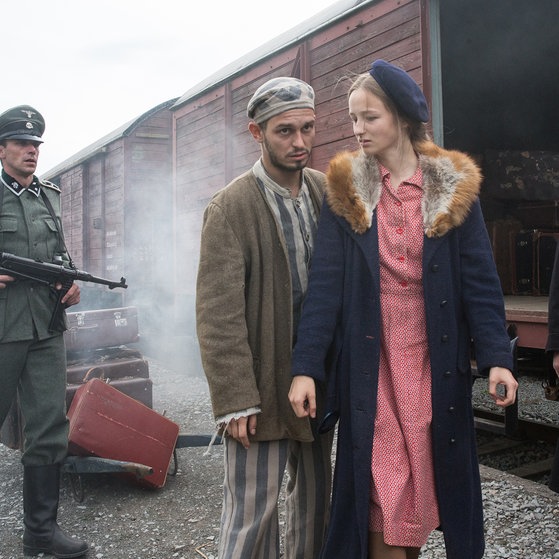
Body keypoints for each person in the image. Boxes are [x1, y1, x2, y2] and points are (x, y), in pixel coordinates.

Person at [288, 60, 519, 559]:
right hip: (372, 366)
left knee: (417, 492)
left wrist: (498, 356)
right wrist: (306, 367)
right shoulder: (347, 189)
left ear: (400, 117)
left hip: (434, 363)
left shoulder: (452, 187)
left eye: (369, 117)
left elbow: (480, 282)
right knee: (381, 488)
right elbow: (324, 289)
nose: (357, 129)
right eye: (353, 118)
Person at [196, 77, 333, 559]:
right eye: (284, 131)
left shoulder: (324, 190)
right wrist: (235, 401)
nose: (300, 143)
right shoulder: (231, 207)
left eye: (308, 128)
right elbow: (218, 316)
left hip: (315, 383)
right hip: (259, 391)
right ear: (257, 133)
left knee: (317, 508)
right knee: (252, 516)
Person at [0, 105, 88, 558]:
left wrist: (71, 282)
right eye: (21, 143)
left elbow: (59, 256)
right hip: (2, 329)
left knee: (49, 426)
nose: (30, 151)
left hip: (45, 329)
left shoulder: (48, 196)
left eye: (35, 144)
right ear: (2, 149)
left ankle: (40, 533)